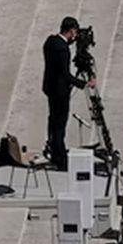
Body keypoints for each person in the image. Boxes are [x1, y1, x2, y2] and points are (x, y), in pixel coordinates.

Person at [42, 17, 92, 171]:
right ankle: (59, 156)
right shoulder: (62, 49)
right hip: (59, 91)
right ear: (71, 30)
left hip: (49, 87)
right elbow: (64, 73)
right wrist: (84, 83)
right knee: (59, 124)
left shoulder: (50, 41)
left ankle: (53, 147)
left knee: (53, 120)